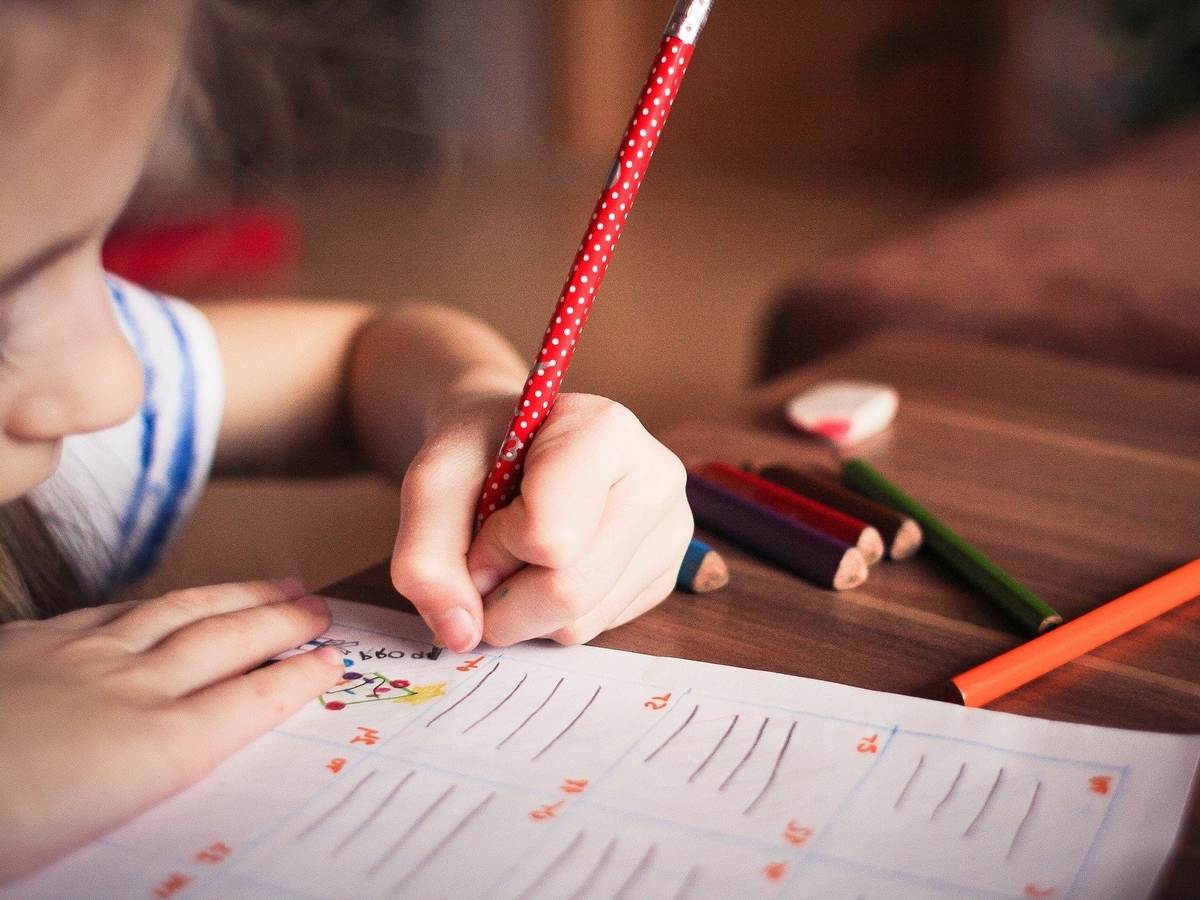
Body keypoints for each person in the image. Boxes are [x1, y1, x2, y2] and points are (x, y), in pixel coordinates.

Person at [0, 0, 692, 884]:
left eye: (97, 253)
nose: (119, 382)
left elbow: (359, 357)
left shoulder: (65, 403)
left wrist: (473, 408)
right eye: (8, 302)